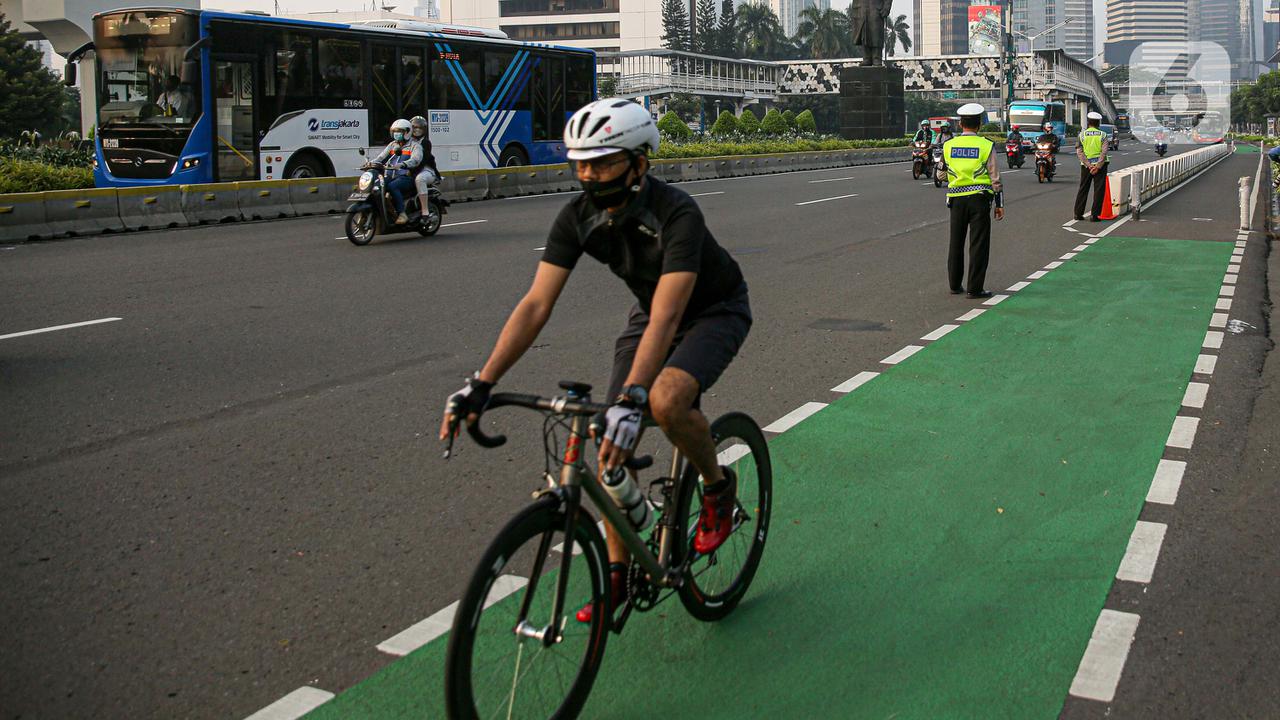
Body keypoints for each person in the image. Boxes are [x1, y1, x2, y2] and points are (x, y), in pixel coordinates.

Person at [439, 98, 752, 624]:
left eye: (603, 163)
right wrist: (482, 382)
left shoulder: (677, 214)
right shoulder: (578, 217)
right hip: (650, 313)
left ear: (639, 164)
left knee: (666, 401)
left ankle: (718, 490)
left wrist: (633, 400)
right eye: (580, 163)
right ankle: (618, 578)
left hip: (712, 310)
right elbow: (536, 304)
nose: (589, 175)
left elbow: (669, 317)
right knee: (611, 445)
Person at [943, 103, 1004, 299]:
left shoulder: (948, 145)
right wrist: (1000, 204)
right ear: (979, 125)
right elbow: (995, 177)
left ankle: (954, 284)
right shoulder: (986, 145)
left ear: (960, 124)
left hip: (956, 200)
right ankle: (974, 288)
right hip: (979, 199)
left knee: (956, 241)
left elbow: (942, 174)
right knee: (978, 243)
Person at [372, 118, 423, 225]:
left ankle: (402, 214)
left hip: (406, 177)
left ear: (407, 132)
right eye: (395, 132)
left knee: (392, 186)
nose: (397, 134)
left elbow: (416, 160)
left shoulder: (415, 146)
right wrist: (370, 163)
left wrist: (403, 164)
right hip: (390, 175)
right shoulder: (392, 145)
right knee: (376, 185)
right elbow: (381, 157)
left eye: (399, 132)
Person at [1074, 111, 1110, 222]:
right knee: (1098, 190)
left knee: (1083, 188)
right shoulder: (1103, 135)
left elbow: (1079, 152)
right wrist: (1097, 166)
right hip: (1101, 166)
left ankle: (1078, 214)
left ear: (1088, 122)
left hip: (1086, 166)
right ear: (1098, 123)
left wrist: (1089, 166)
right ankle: (1095, 215)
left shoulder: (1082, 135)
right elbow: (1104, 152)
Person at [408, 115, 441, 211]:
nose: (417, 130)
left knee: (420, 179)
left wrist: (412, 171)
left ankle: (424, 210)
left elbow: (423, 161)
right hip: (409, 168)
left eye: (420, 128)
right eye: (414, 127)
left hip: (425, 169)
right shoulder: (407, 142)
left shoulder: (426, 143)